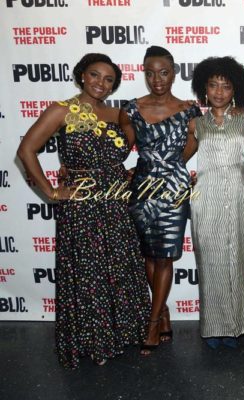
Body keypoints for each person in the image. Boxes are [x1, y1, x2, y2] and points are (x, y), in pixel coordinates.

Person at [17, 53, 150, 368]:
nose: (100, 83)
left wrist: (128, 172)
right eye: (94, 75)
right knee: (88, 273)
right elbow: (26, 150)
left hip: (116, 201)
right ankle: (95, 342)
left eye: (108, 79)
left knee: (119, 266)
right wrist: (51, 191)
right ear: (81, 76)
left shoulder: (118, 114)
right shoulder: (62, 110)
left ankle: (124, 335)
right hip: (82, 207)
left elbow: (123, 153)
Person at [120, 46, 201, 355]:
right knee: (149, 256)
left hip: (173, 190)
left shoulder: (189, 109)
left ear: (174, 73)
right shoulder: (130, 109)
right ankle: (163, 311)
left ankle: (152, 324)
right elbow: (121, 148)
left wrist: (170, 167)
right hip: (142, 189)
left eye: (163, 72)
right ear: (144, 73)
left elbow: (191, 144)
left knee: (165, 256)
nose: (157, 79)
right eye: (150, 73)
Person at [190, 57, 244, 349]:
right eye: (213, 85)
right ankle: (214, 328)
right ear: (203, 88)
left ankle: (239, 325)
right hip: (205, 199)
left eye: (226, 86)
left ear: (235, 90)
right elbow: (177, 159)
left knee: (240, 261)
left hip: (240, 197)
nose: (218, 91)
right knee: (210, 262)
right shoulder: (195, 123)